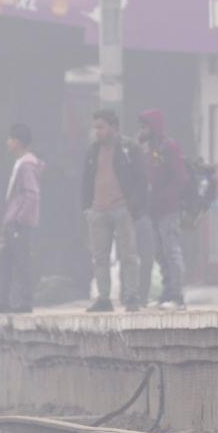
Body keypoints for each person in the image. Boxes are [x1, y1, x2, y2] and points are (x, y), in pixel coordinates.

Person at [81, 110, 147, 312]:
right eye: (95, 127)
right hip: (97, 210)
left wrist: (133, 206)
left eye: (101, 127)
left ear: (113, 128)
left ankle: (131, 296)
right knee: (100, 257)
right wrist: (87, 208)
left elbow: (141, 180)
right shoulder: (92, 150)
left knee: (128, 255)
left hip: (122, 209)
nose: (97, 132)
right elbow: (86, 180)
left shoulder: (129, 148)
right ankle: (103, 298)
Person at [0, 124, 44, 314]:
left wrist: (20, 219)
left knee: (21, 261)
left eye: (9, 138)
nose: (7, 142)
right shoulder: (21, 162)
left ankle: (25, 301)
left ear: (17, 142)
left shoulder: (27, 165)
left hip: (19, 223)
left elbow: (32, 194)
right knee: (5, 260)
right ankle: (4, 300)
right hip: (11, 221)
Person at [139, 109, 189, 310]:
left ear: (154, 126)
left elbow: (181, 178)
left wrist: (165, 197)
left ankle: (177, 296)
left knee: (171, 252)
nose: (142, 130)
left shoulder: (169, 146)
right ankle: (167, 293)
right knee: (160, 253)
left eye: (145, 126)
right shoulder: (149, 149)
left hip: (168, 210)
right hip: (154, 210)